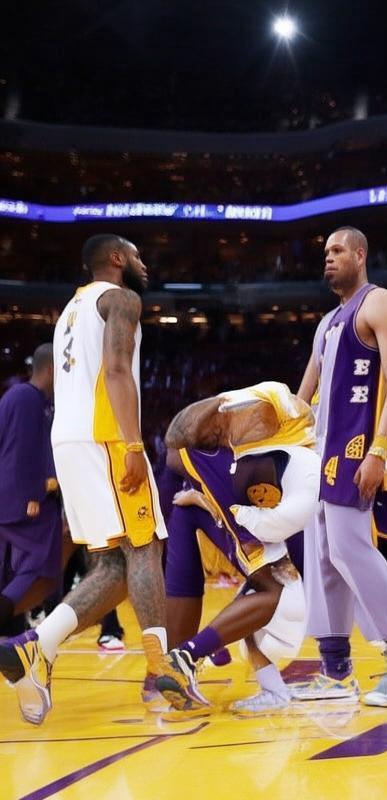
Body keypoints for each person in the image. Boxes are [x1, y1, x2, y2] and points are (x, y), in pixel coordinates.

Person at [0, 234, 197, 725]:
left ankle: (36, 645)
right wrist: (132, 445)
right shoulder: (121, 298)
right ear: (116, 258)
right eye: (137, 255)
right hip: (104, 437)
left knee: (112, 564)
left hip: (67, 442)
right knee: (146, 545)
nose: (143, 264)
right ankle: (161, 667)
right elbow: (116, 370)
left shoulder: (70, 310)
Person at [294, 226, 387, 708]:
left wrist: (378, 450)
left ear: (360, 254)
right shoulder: (326, 324)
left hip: (357, 447)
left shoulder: (378, 303)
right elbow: (301, 402)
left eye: (337, 250)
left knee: (351, 548)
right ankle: (336, 671)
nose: (329, 257)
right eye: (325, 252)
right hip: (319, 453)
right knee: (322, 558)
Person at [159, 382, 317, 715]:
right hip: (270, 516)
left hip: (260, 504)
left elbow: (176, 442)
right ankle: (186, 658)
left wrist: (202, 498)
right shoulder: (251, 428)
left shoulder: (257, 420)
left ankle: (184, 658)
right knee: (277, 592)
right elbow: (177, 438)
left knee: (258, 595)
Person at [0, 345, 61, 635]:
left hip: (11, 497)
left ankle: (12, 633)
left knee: (15, 573)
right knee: (42, 566)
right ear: (50, 369)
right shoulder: (27, 399)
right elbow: (23, 454)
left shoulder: (22, 397)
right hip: (21, 501)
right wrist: (35, 495)